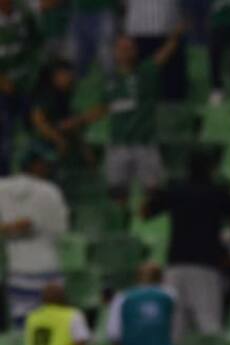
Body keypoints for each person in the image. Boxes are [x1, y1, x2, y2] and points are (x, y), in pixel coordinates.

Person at [143, 149, 230, 339]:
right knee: (209, 323)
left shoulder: (176, 189)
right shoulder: (217, 192)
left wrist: (153, 192)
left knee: (174, 327)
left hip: (176, 265)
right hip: (206, 266)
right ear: (212, 169)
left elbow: (145, 212)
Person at [99, 29, 185, 206]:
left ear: (135, 51)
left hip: (145, 143)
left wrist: (174, 38)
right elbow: (100, 109)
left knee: (153, 193)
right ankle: (121, 224)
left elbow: (164, 55)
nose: (125, 51)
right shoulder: (109, 80)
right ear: (115, 52)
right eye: (121, 48)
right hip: (118, 144)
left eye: (129, 48)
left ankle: (150, 226)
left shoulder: (146, 72)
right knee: (117, 193)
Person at [0, 147, 69, 330]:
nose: (47, 167)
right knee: (54, 330)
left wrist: (8, 228)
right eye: (44, 164)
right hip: (49, 270)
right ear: (35, 165)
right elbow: (61, 230)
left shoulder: (2, 189)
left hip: (19, 272)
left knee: (26, 335)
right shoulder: (50, 191)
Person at [0, 0, 43, 174]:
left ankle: (37, 174)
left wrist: (32, 74)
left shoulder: (25, 12)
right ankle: (4, 180)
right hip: (2, 90)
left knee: (34, 131)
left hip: (27, 85)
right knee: (5, 136)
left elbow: (36, 43)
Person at [30, 59, 94, 167]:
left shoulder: (67, 95)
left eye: (70, 74)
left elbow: (73, 124)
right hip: (42, 144)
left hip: (64, 142)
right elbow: (38, 121)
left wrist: (85, 150)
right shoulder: (46, 95)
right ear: (56, 76)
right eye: (66, 74)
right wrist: (58, 139)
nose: (70, 77)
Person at [124, 0, 186, 102]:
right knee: (141, 87)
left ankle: (175, 113)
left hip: (169, 29)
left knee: (173, 89)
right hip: (138, 30)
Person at [69, 0, 118, 76]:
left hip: (103, 10)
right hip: (79, 11)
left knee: (106, 55)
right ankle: (81, 85)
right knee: (77, 57)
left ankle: (111, 84)